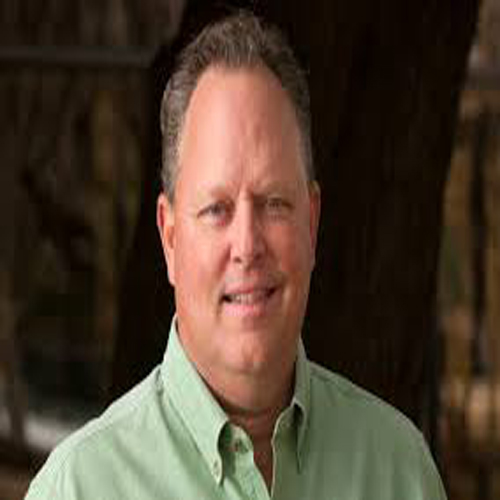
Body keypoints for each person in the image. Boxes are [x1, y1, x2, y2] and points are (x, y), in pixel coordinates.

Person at [25, 11, 447, 499]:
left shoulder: (400, 472)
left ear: (311, 223)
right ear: (169, 237)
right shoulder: (79, 488)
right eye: (216, 209)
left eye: (273, 203)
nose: (247, 245)